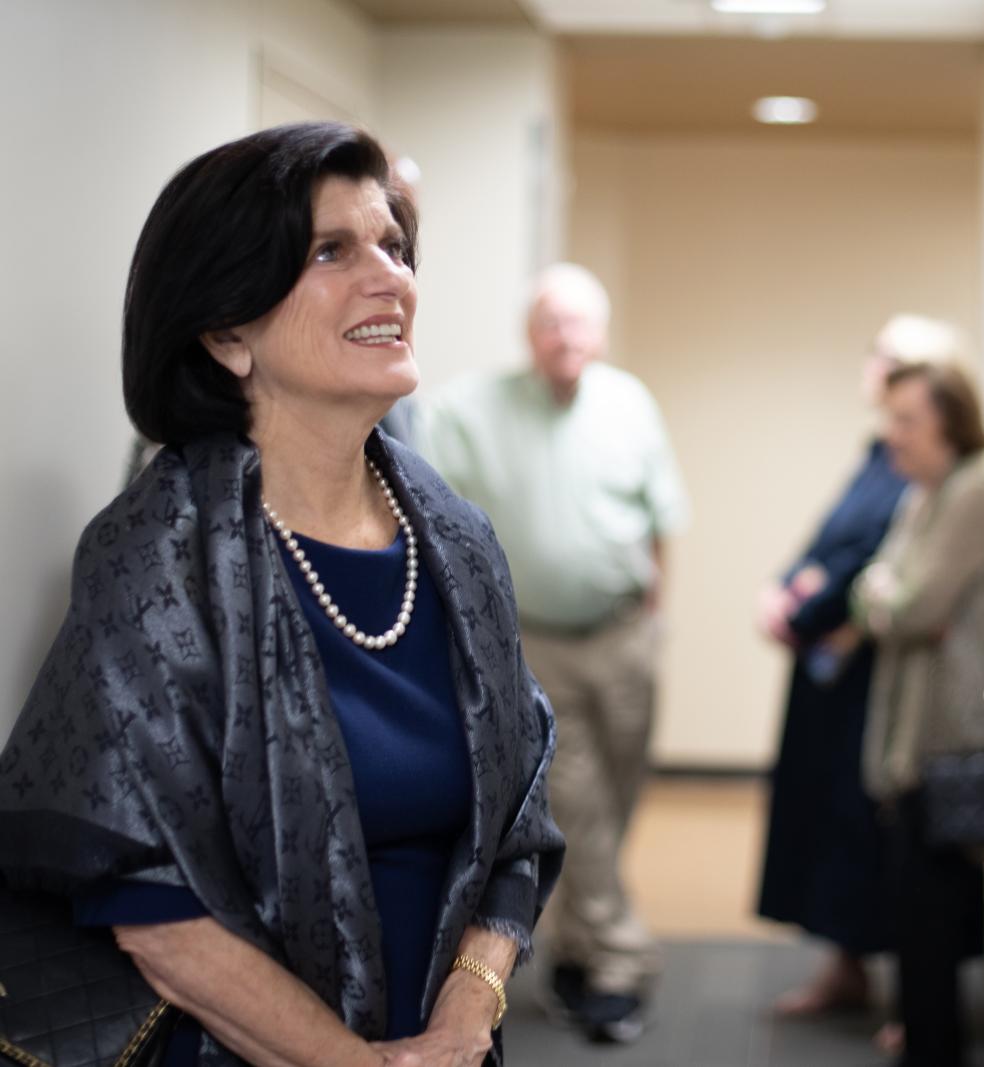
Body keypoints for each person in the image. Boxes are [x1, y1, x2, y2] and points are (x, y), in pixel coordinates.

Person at [0, 122, 564, 1067]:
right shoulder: (157, 555)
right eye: (330, 251)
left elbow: (521, 821)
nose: (388, 277)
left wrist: (467, 1019)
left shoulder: (458, 540)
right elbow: (151, 901)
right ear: (226, 331)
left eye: (392, 244)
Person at [415, 263, 688, 1044]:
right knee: (578, 797)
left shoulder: (629, 401)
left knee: (621, 787)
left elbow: (664, 515)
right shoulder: (470, 409)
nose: (566, 337)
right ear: (528, 333)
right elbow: (442, 521)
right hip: (535, 640)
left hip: (624, 632)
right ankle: (617, 961)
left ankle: (576, 938)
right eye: (551, 322)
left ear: (600, 333)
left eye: (579, 323)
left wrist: (658, 612)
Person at [754, 315, 964, 1019]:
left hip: (868, 670)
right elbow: (826, 540)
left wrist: (805, 611)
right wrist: (783, 588)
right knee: (822, 820)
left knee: (864, 828)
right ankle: (845, 968)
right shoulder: (876, 451)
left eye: (892, 357)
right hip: (827, 666)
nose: (875, 365)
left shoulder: (926, 472)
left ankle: (903, 994)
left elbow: (868, 564)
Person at [850, 359, 984, 1067]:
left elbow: (913, 604)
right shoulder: (923, 495)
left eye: (906, 420)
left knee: (932, 923)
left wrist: (894, 599)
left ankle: (932, 1050)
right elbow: (876, 592)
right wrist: (890, 598)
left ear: (950, 423)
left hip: (948, 742)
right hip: (913, 740)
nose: (891, 435)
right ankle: (923, 1042)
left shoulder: (973, 494)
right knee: (918, 920)